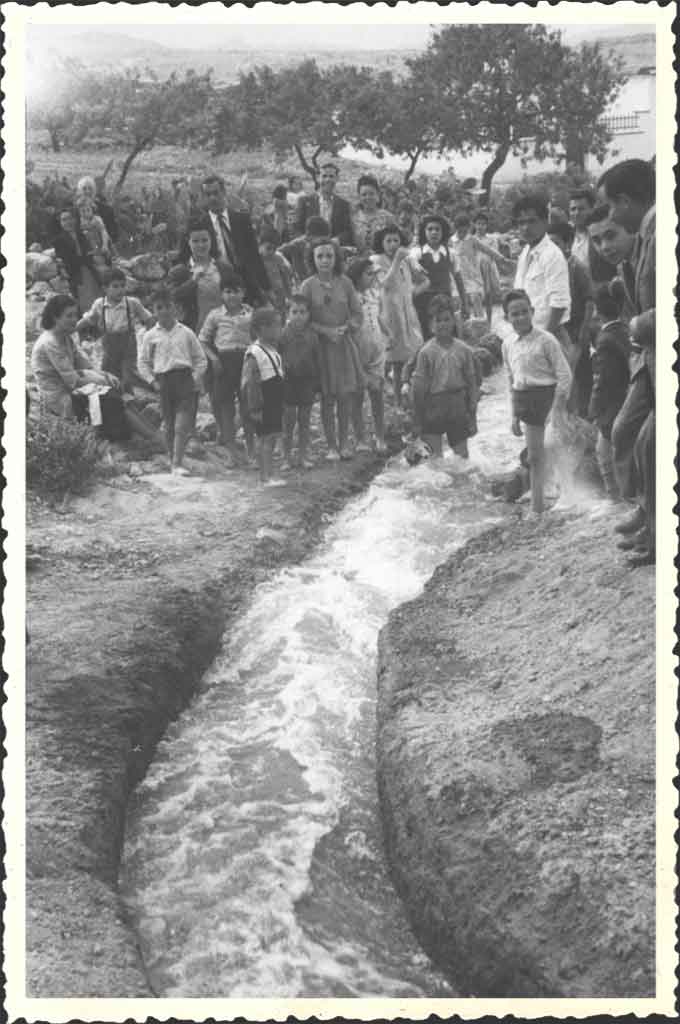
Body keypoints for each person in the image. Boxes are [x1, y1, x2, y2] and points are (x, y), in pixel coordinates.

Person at [598, 159, 655, 556]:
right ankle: (647, 512)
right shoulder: (645, 236)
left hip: (656, 354)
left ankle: (655, 527)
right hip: (649, 362)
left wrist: (637, 326)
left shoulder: (658, 232)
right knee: (631, 437)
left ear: (626, 200)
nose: (612, 217)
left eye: (612, 208)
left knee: (649, 443)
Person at [31, 294, 160, 444]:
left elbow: (81, 360)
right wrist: (101, 384)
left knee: (118, 387)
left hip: (71, 388)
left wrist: (104, 374)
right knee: (111, 397)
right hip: (60, 397)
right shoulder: (50, 342)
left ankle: (150, 432)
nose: (74, 319)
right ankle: (153, 438)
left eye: (75, 315)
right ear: (55, 317)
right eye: (69, 316)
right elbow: (72, 380)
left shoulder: (65, 336)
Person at [501, 289, 572, 516]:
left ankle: (569, 496)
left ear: (532, 312)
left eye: (524, 312)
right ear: (507, 318)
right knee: (534, 456)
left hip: (548, 398)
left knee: (554, 446)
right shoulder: (507, 344)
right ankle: (538, 507)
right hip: (525, 402)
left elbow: (564, 375)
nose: (520, 317)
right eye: (514, 314)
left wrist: (558, 407)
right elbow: (511, 379)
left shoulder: (546, 340)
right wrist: (513, 415)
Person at [300, 237, 364, 460]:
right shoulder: (307, 286)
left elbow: (358, 313)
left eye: (329, 255)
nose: (325, 260)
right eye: (320, 256)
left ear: (336, 258)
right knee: (327, 397)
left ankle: (345, 442)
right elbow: (302, 319)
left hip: (343, 344)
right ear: (313, 259)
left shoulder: (345, 282)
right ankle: (331, 446)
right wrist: (325, 331)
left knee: (345, 395)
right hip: (321, 347)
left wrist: (347, 328)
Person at [139, 287, 207, 476]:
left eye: (168, 306)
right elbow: (143, 362)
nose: (164, 311)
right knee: (169, 424)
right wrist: (152, 381)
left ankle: (177, 462)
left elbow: (200, 358)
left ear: (175, 308)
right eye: (159, 307)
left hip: (184, 378)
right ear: (153, 310)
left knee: (181, 424)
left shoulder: (186, 333)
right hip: (163, 381)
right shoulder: (150, 336)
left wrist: (195, 377)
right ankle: (172, 459)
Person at [178, 174, 268, 306]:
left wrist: (266, 286)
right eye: (208, 194)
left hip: (246, 282)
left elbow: (254, 255)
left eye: (216, 193)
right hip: (215, 286)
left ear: (224, 192)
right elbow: (185, 256)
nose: (212, 198)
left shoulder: (241, 219)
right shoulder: (198, 224)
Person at [411, 294, 479, 460]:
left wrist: (473, 416)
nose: (442, 324)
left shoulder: (464, 350)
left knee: (462, 457)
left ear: (454, 321)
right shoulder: (426, 353)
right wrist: (417, 421)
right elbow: (419, 389)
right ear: (430, 325)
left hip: (458, 407)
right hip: (433, 407)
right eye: (438, 320)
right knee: (435, 460)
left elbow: (472, 383)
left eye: (446, 319)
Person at [197, 269, 255, 465]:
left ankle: (251, 452)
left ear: (243, 293)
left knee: (247, 408)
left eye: (236, 291)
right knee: (226, 408)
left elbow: (258, 338)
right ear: (222, 294)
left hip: (246, 361)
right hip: (223, 363)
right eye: (228, 292)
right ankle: (231, 452)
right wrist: (213, 359)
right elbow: (203, 340)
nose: (232, 296)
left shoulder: (250, 313)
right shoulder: (215, 315)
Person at [512, 195, 573, 362]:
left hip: (551, 336)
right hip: (528, 335)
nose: (525, 227)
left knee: (554, 387)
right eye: (521, 222)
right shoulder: (525, 252)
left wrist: (542, 341)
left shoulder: (552, 255)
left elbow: (559, 304)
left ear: (545, 222)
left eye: (532, 221)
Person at [75, 267, 154, 394]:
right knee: (109, 376)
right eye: (115, 286)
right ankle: (114, 401)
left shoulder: (132, 303)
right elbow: (88, 319)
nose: (120, 290)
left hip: (128, 346)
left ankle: (135, 399)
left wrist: (151, 338)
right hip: (109, 348)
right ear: (105, 288)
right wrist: (72, 328)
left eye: (122, 286)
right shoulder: (100, 304)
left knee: (128, 375)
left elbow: (149, 319)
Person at [372, 224, 426, 406]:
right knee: (395, 360)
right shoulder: (376, 260)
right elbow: (385, 284)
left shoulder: (406, 260)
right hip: (390, 314)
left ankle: (410, 396)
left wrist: (413, 292)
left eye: (396, 240)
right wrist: (395, 261)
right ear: (382, 243)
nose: (393, 244)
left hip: (407, 311)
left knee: (412, 354)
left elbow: (424, 279)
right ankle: (395, 400)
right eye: (388, 241)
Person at [587, 280, 631, 501]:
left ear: (596, 310)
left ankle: (616, 500)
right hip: (627, 398)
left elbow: (602, 380)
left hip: (611, 405)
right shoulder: (625, 329)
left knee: (604, 454)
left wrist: (593, 408)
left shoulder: (604, 340)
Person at [546, 221, 595, 417]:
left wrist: (584, 332)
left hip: (574, 332)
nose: (552, 248)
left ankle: (574, 418)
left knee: (570, 378)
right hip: (556, 329)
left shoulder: (576, 267)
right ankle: (560, 420)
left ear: (568, 243)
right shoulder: (549, 266)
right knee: (557, 377)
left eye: (556, 243)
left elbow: (590, 301)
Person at [240, 306, 286, 485]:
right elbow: (250, 382)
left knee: (272, 437)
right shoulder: (254, 352)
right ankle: (264, 477)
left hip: (274, 397)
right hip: (262, 398)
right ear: (262, 329)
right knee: (264, 438)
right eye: (276, 326)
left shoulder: (273, 349)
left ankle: (270, 473)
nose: (280, 329)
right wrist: (255, 407)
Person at [346, 258, 387, 453]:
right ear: (357, 277)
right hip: (357, 349)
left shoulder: (374, 293)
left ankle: (380, 436)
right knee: (357, 395)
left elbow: (378, 316)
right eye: (368, 274)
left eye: (374, 274)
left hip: (377, 348)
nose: (373, 277)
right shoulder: (350, 297)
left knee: (377, 393)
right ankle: (360, 437)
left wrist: (390, 333)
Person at [279, 294, 321, 469]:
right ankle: (286, 457)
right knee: (287, 422)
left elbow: (318, 360)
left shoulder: (313, 336)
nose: (298, 316)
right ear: (288, 313)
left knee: (304, 421)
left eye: (302, 312)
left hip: (307, 382)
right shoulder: (282, 334)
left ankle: (303, 455)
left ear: (308, 314)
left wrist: (318, 386)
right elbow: (276, 356)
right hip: (288, 382)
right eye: (294, 312)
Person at [411, 213, 469, 340]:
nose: (434, 232)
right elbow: (411, 279)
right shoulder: (417, 253)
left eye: (437, 229)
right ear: (424, 232)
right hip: (424, 302)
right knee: (426, 335)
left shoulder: (451, 253)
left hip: (445, 300)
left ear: (443, 232)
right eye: (430, 229)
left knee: (448, 334)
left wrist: (465, 303)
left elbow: (459, 280)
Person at [173, 217, 225, 333]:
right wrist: (193, 281)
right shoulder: (179, 271)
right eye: (195, 241)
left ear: (212, 240)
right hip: (194, 330)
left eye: (205, 240)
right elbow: (172, 297)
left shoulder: (223, 268)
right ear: (188, 242)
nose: (201, 245)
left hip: (223, 329)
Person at [585, 206, 637, 320]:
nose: (604, 247)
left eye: (610, 236)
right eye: (597, 241)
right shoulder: (622, 267)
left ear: (628, 228)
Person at [52, 207, 102, 313]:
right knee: (83, 301)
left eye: (70, 218)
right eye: (64, 220)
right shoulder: (58, 240)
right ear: (60, 223)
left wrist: (90, 254)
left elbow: (91, 252)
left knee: (97, 294)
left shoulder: (82, 235)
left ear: (75, 220)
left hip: (89, 269)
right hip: (75, 273)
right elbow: (66, 259)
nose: (67, 222)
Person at [294, 163, 354, 247]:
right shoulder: (304, 201)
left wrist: (336, 240)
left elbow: (348, 231)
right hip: (308, 248)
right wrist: (306, 241)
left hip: (333, 250)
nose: (328, 179)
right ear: (318, 178)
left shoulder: (344, 204)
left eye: (331, 176)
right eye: (324, 176)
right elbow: (296, 228)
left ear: (337, 178)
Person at [568, 188, 616, 284]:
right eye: (573, 209)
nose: (577, 213)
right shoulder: (567, 238)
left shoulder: (603, 236)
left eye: (581, 209)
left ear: (592, 209)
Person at [450, 213, 486, 319]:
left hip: (472, 276)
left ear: (469, 228)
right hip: (457, 277)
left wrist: (502, 259)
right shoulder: (450, 241)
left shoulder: (472, 240)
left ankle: (481, 323)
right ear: (456, 228)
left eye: (465, 230)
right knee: (460, 303)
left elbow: (487, 250)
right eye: (460, 231)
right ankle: (464, 327)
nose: (463, 233)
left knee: (476, 298)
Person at [279, 215, 330, 285]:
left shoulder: (325, 244)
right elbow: (278, 252)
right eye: (321, 239)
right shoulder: (297, 245)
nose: (323, 243)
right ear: (310, 236)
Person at [75, 195, 113, 282]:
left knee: (106, 258)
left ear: (92, 209)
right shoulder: (80, 222)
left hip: (100, 243)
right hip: (90, 247)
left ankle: (109, 274)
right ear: (79, 212)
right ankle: (101, 279)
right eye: (82, 211)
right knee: (96, 263)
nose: (85, 213)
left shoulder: (97, 219)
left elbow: (103, 231)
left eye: (88, 210)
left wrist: (105, 244)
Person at [352, 175, 392, 255]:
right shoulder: (352, 218)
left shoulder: (388, 218)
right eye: (364, 194)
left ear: (378, 195)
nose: (368, 197)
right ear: (359, 197)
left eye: (371, 194)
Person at [258, 225, 293, 315]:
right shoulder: (256, 262)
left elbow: (285, 277)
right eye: (268, 248)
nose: (272, 251)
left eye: (274, 249)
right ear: (260, 244)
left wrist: (289, 296)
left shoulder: (278, 258)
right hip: (264, 298)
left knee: (281, 318)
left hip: (280, 295)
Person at [76, 175, 119, 244]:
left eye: (90, 189)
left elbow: (113, 234)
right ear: (79, 191)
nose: (87, 192)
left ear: (95, 191)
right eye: (84, 189)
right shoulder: (74, 210)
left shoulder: (107, 210)